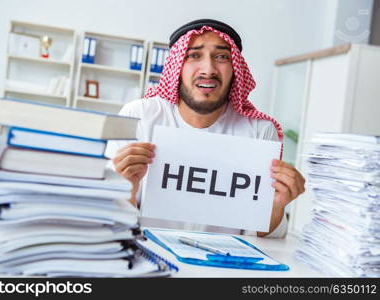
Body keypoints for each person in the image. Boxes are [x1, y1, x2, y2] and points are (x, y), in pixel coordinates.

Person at [106, 19, 305, 238]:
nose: (208, 70)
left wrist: (276, 207)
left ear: (235, 69)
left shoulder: (260, 131)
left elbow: (265, 241)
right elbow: (110, 224)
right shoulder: (138, 117)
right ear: (177, 66)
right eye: (193, 55)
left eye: (221, 57)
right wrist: (126, 188)